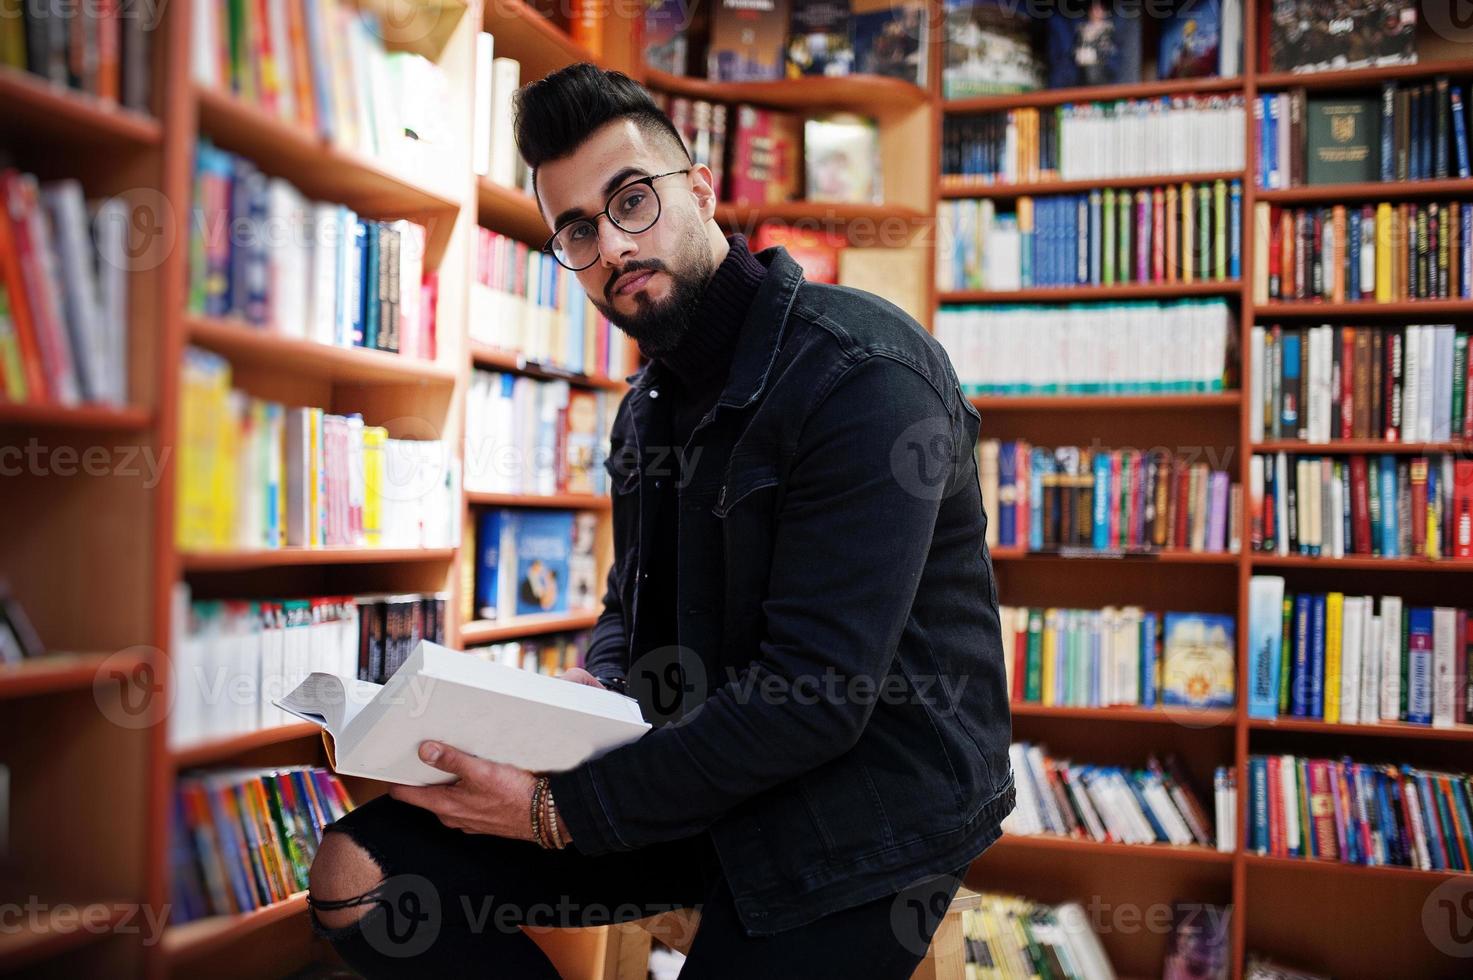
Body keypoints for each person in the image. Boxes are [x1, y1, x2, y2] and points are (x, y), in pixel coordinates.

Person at [307, 62, 1013, 978]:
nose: (610, 244)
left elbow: (818, 697)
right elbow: (626, 608)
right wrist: (591, 692)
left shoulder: (863, 376)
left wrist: (556, 810)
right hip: (702, 775)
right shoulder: (647, 406)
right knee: (357, 873)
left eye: (631, 200)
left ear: (703, 191)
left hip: (867, 807)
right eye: (576, 229)